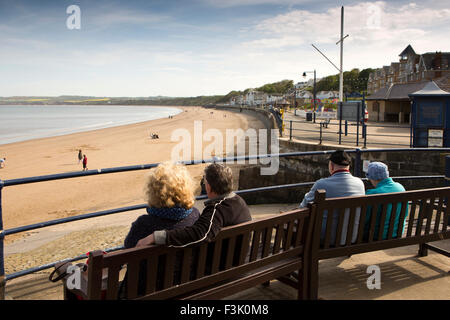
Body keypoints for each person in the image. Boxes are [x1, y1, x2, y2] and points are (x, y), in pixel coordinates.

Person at [120, 162, 200, 297]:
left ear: (153, 191)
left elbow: (128, 250)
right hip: (185, 286)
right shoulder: (195, 216)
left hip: (147, 292)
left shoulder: (143, 224)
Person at [136, 163, 251, 248]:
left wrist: (157, 236)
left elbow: (199, 233)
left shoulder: (217, 209)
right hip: (240, 260)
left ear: (209, 187)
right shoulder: (239, 201)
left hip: (223, 269)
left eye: (205, 183)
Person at [299, 150, 365, 245]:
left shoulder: (322, 184)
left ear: (332, 166)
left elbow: (303, 207)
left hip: (325, 239)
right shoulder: (360, 183)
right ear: (349, 166)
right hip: (351, 237)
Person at [363, 162, 407, 241]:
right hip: (398, 232)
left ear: (371, 177)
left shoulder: (372, 193)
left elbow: (364, 219)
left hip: (378, 236)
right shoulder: (400, 187)